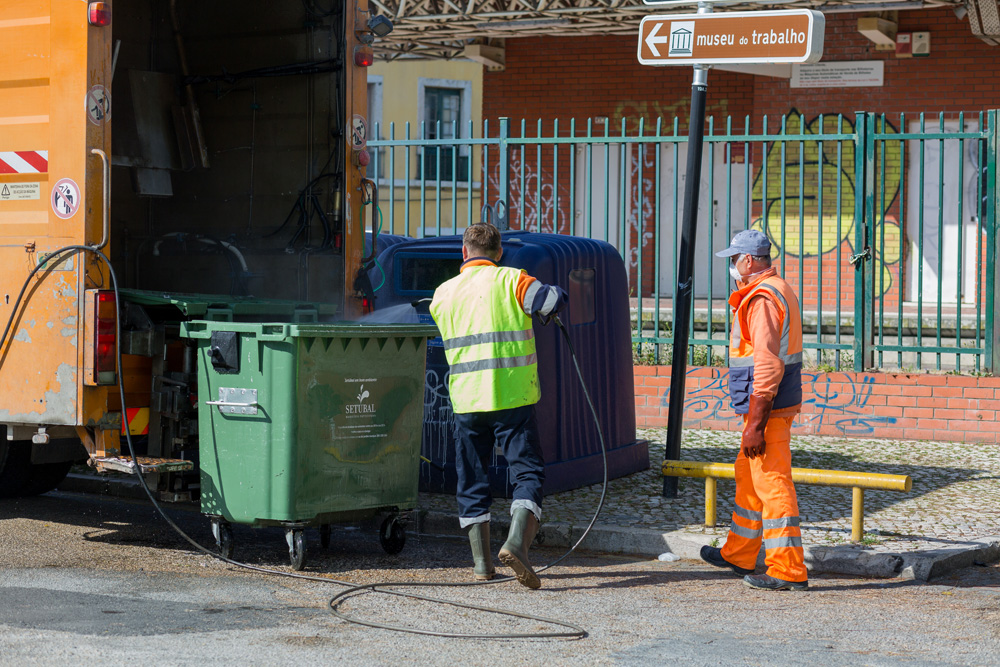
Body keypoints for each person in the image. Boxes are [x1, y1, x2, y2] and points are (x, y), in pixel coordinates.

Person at [429, 223, 567, 589]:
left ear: (464, 252)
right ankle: (516, 544)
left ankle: (481, 565)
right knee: (527, 472)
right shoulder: (513, 280)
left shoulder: (442, 294)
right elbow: (551, 300)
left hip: (467, 401)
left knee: (472, 479)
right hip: (512, 398)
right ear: (499, 252)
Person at [700, 229, 809, 592]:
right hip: (769, 406)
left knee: (772, 483)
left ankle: (787, 570)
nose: (732, 265)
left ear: (748, 261)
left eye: (734, 259)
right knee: (748, 475)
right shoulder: (777, 287)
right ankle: (740, 552)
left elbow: (767, 364)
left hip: (769, 408)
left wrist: (756, 423)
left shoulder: (763, 298)